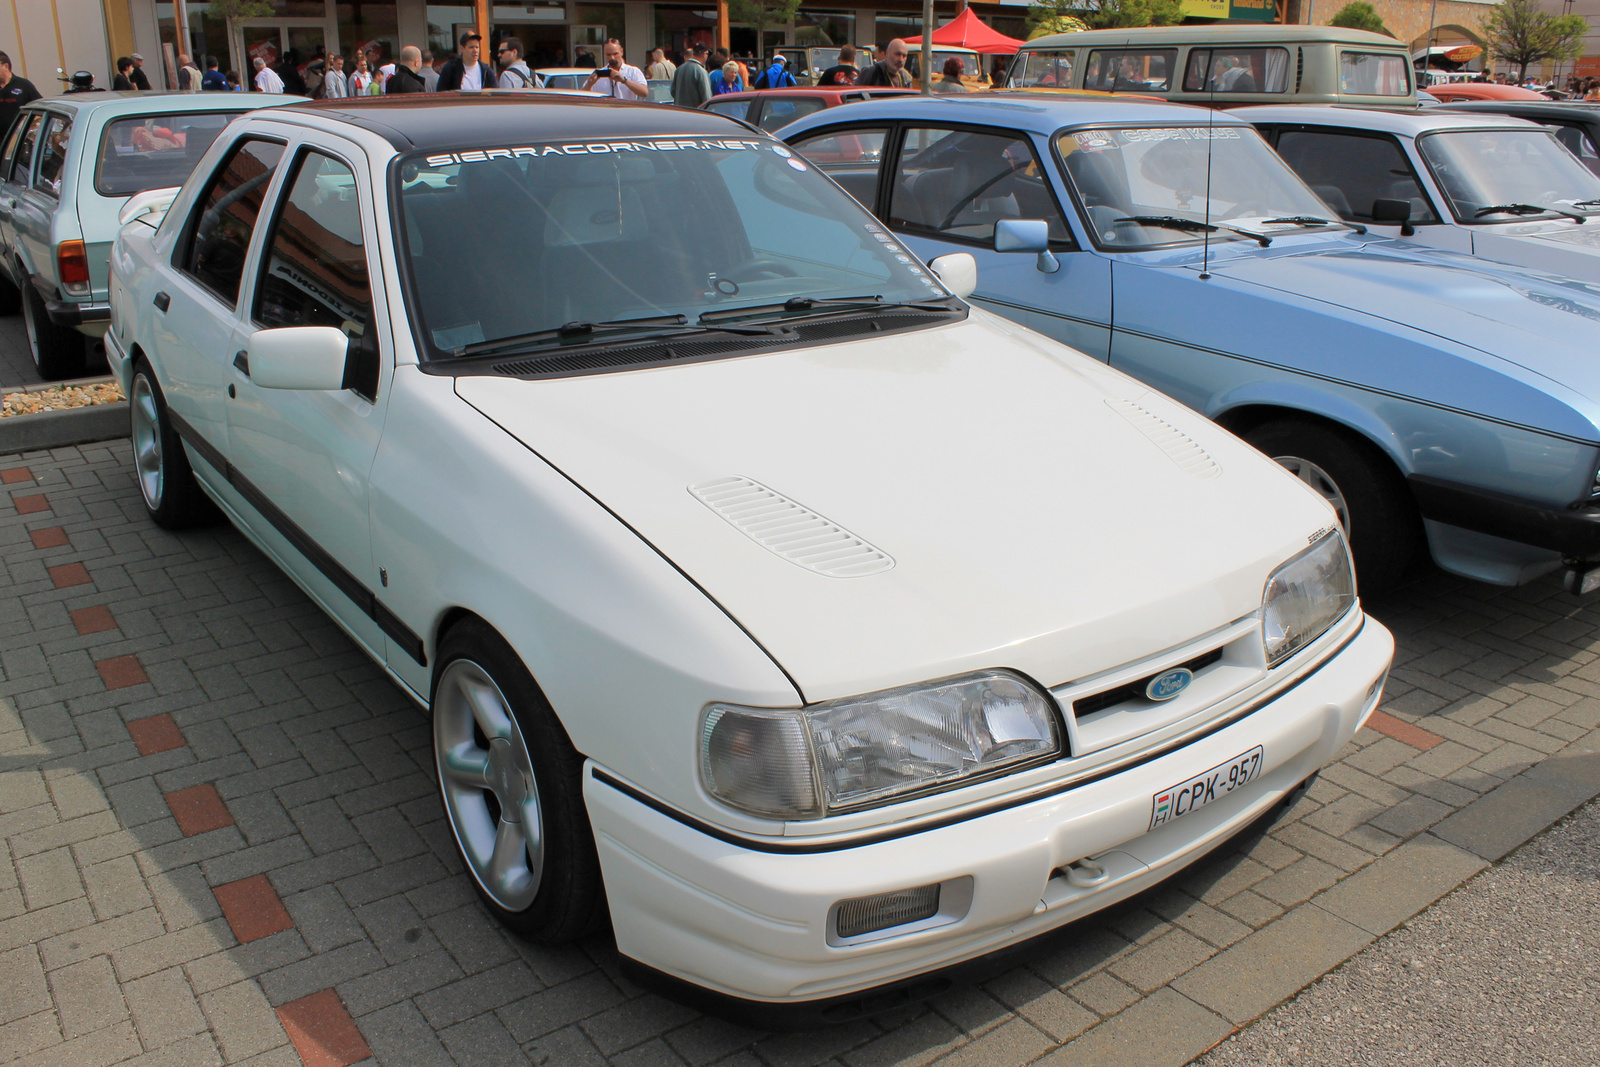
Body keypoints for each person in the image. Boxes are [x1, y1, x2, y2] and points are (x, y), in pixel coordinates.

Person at [583, 38, 648, 99]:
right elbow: (582, 97)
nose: (612, 58)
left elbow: (644, 93)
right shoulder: (599, 74)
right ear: (604, 54)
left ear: (622, 52)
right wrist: (589, 84)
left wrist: (624, 81)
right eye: (608, 54)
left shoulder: (633, 71)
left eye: (615, 54)